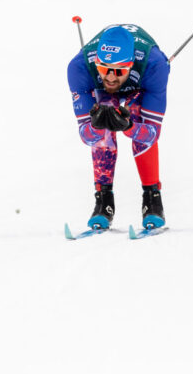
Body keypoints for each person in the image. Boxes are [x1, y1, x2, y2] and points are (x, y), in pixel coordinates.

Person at [67, 24, 171, 230]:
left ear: (130, 65)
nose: (111, 77)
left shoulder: (155, 66)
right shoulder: (79, 68)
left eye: (119, 70)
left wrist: (130, 126)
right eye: (104, 69)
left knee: (135, 110)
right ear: (96, 63)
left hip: (141, 84)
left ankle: (152, 201)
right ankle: (103, 202)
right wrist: (96, 126)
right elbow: (85, 135)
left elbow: (152, 134)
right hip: (103, 90)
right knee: (103, 112)